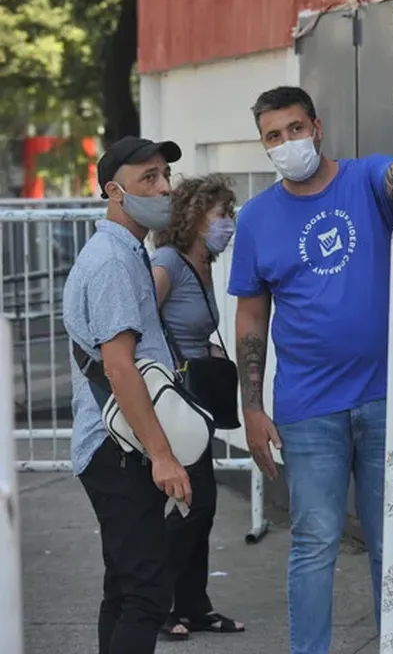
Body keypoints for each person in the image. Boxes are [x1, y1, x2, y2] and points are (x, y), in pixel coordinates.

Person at [229, 83, 393, 654]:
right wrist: (251, 408)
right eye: (272, 136)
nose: (286, 143)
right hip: (308, 409)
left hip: (388, 397)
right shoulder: (255, 219)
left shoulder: (364, 179)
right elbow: (250, 317)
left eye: (294, 129)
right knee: (313, 543)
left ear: (316, 128)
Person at [63, 135, 192, 654]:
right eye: (150, 179)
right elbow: (119, 366)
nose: (164, 188)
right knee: (147, 595)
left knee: (122, 589)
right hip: (119, 451)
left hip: (115, 446)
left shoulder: (122, 252)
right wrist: (162, 457)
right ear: (115, 192)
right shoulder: (114, 263)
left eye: (166, 176)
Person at [150, 174, 245, 640]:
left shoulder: (202, 263)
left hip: (196, 400)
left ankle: (193, 605)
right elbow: (141, 326)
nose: (228, 223)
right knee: (196, 500)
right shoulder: (167, 262)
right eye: (220, 215)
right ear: (194, 218)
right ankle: (162, 605)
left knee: (199, 505)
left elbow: (187, 327)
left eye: (229, 214)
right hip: (174, 399)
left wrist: (206, 351)